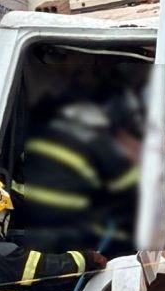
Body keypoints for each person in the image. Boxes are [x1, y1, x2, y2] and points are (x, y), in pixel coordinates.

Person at [12, 93, 142, 255]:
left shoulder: (48, 129)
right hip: (64, 228)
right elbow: (133, 194)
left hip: (25, 221)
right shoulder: (101, 143)